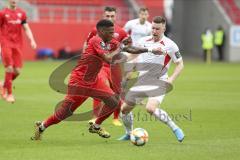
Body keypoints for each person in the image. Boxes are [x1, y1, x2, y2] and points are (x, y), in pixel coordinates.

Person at [31, 19, 163, 140]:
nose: (113, 35)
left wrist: (150, 49)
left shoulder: (110, 42)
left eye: (113, 32)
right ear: (101, 31)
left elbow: (129, 48)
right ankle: (42, 126)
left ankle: (96, 125)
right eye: (110, 32)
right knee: (65, 113)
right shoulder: (95, 40)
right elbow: (108, 58)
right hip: (79, 82)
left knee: (114, 102)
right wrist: (120, 47)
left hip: (94, 80)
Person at [117, 16, 185, 142]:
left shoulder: (170, 45)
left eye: (157, 29)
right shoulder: (143, 41)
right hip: (142, 81)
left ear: (164, 28)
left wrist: (171, 79)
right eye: (153, 28)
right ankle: (129, 133)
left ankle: (175, 128)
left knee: (150, 108)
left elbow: (180, 64)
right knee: (124, 110)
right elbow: (133, 54)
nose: (154, 31)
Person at [83, 6, 130, 127]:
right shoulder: (95, 30)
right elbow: (86, 44)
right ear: (104, 16)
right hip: (100, 66)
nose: (110, 18)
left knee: (117, 93)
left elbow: (128, 48)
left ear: (116, 16)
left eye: (112, 16)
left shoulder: (121, 32)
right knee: (99, 89)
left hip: (115, 66)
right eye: (107, 16)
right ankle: (95, 117)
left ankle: (115, 118)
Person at [0, 0, 37, 103]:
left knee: (17, 71)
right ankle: (9, 94)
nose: (14, 1)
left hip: (17, 45)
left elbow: (26, 28)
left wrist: (32, 40)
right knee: (9, 68)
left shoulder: (21, 13)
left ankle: (3, 85)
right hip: (6, 44)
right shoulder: (3, 13)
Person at [123, 7, 152, 105]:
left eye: (145, 14)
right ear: (139, 14)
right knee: (128, 74)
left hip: (142, 53)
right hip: (132, 52)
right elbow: (123, 34)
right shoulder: (131, 23)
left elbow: (151, 40)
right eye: (142, 14)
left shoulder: (150, 26)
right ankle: (123, 93)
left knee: (142, 76)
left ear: (148, 15)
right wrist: (125, 45)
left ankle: (138, 97)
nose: (143, 16)